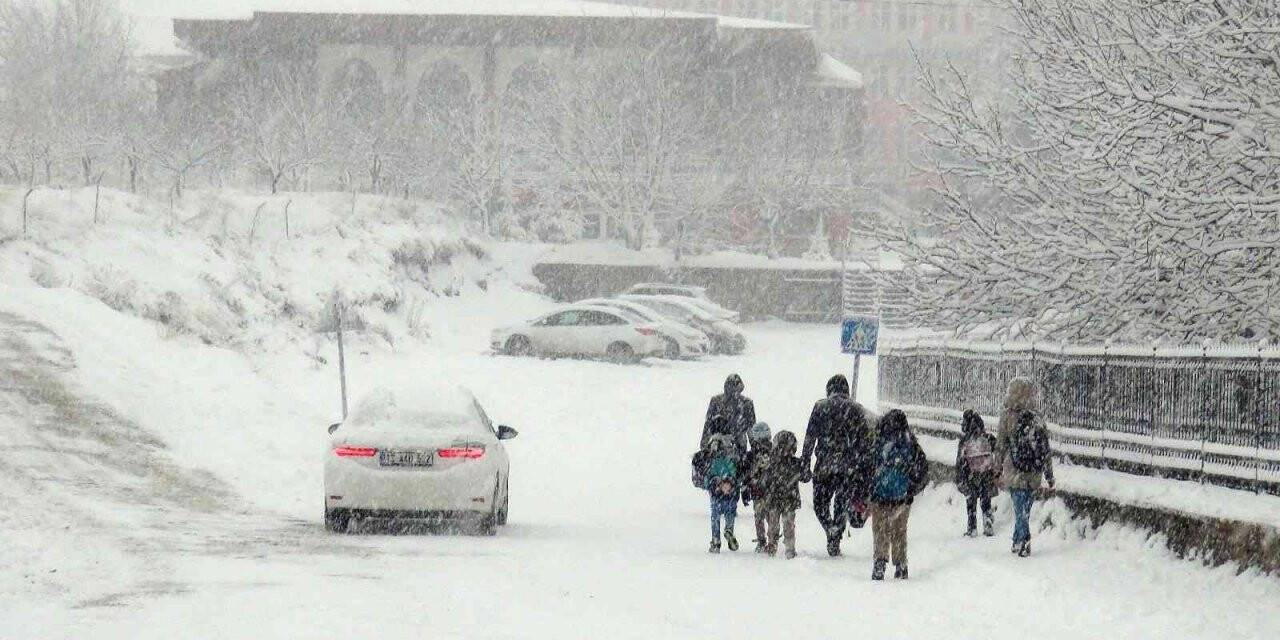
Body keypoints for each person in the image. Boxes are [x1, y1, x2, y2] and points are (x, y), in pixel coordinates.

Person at [801, 374, 874, 557]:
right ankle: (837, 533)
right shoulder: (856, 409)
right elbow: (864, 443)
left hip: (825, 465)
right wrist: (863, 468)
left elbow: (810, 437)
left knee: (820, 503)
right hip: (847, 467)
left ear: (829, 390)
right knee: (841, 503)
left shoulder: (820, 406)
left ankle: (830, 529)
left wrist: (805, 463)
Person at [994, 377, 1055, 558]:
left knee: (1019, 507)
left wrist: (997, 469)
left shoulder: (1007, 415)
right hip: (1033, 471)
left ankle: (1024, 540)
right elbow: (1045, 449)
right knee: (1025, 508)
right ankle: (1017, 539)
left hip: (1014, 468)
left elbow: (1000, 445)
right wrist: (1049, 474)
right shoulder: (1037, 417)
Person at [868, 409, 929, 580]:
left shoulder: (879, 442)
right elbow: (922, 469)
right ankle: (901, 565)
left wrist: (870, 487)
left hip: (880, 494)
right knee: (899, 531)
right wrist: (912, 488)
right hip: (902, 495)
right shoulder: (910, 444)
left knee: (880, 530)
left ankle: (880, 562)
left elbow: (867, 466)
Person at [759, 430, 807, 559]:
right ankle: (773, 545)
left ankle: (789, 549)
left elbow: (806, 476)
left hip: (785, 498)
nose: (786, 451)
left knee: (788, 525)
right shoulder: (773, 462)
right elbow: (764, 480)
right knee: (775, 525)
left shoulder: (793, 462)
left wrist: (804, 468)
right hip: (779, 498)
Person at [955, 409, 998, 537]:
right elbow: (997, 450)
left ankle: (972, 528)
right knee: (986, 500)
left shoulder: (965, 440)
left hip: (970, 475)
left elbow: (960, 460)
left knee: (971, 501)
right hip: (985, 473)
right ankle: (988, 525)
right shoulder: (987, 438)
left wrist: (960, 477)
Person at [701, 374, 756, 457]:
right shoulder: (716, 401)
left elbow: (751, 428)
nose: (733, 394)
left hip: (738, 445)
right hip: (718, 444)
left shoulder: (747, 403)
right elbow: (708, 424)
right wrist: (704, 446)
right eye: (730, 389)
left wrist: (755, 448)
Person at [704, 434, 740, 554]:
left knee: (715, 517)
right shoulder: (729, 461)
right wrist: (729, 483)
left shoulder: (710, 463)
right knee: (730, 513)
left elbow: (706, 481)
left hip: (716, 496)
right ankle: (729, 529)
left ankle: (716, 541)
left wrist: (717, 484)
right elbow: (735, 475)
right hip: (730, 495)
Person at [741, 422, 774, 553]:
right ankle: (770, 539)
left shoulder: (751, 455)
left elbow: (745, 474)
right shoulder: (774, 451)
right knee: (768, 516)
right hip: (768, 489)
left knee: (760, 516)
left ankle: (763, 541)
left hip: (759, 489)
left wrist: (744, 488)